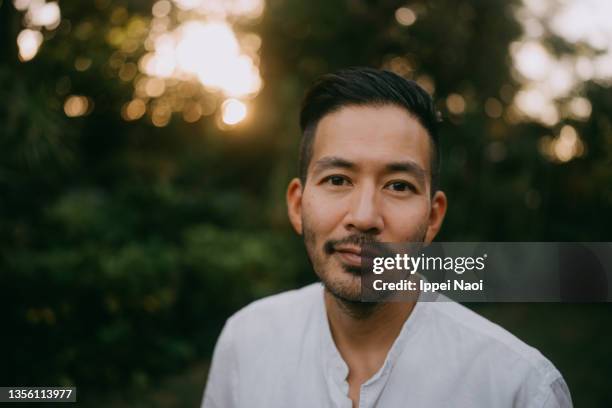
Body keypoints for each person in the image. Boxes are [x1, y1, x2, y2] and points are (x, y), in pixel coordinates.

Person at [201, 67, 572, 408]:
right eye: (338, 180)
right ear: (298, 206)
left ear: (432, 218)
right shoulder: (245, 341)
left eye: (398, 185)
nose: (364, 217)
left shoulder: (518, 388)